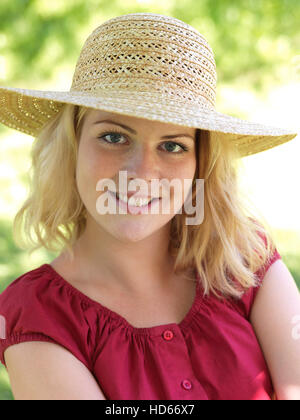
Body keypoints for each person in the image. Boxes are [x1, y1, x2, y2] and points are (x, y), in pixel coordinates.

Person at [0, 13, 299, 401]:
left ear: (199, 165)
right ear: (72, 146)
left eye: (172, 146)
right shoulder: (39, 314)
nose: (141, 173)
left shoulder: (245, 261)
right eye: (113, 136)